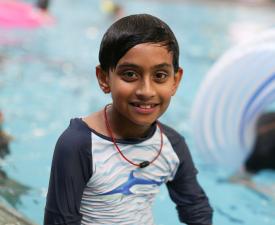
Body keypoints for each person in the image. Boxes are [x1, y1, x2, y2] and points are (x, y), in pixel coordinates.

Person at [44, 14, 213, 225]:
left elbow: (196, 209)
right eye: (130, 74)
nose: (146, 91)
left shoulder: (172, 144)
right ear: (104, 78)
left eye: (160, 75)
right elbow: (60, 221)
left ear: (175, 81)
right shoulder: (79, 145)